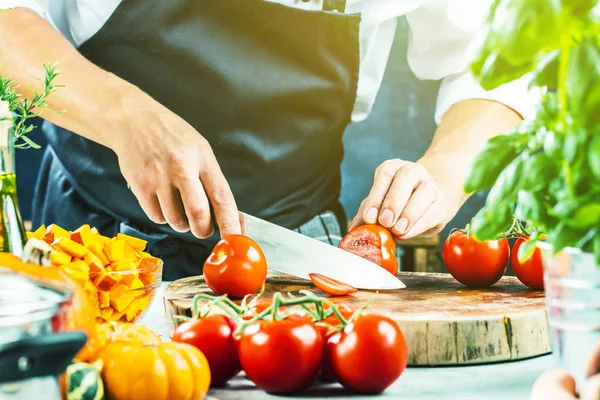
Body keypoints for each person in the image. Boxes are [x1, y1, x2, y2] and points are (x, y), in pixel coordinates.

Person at [0, 1, 538, 280]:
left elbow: (509, 57)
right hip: (92, 244)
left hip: (297, 252)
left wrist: (446, 169)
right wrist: (124, 115)